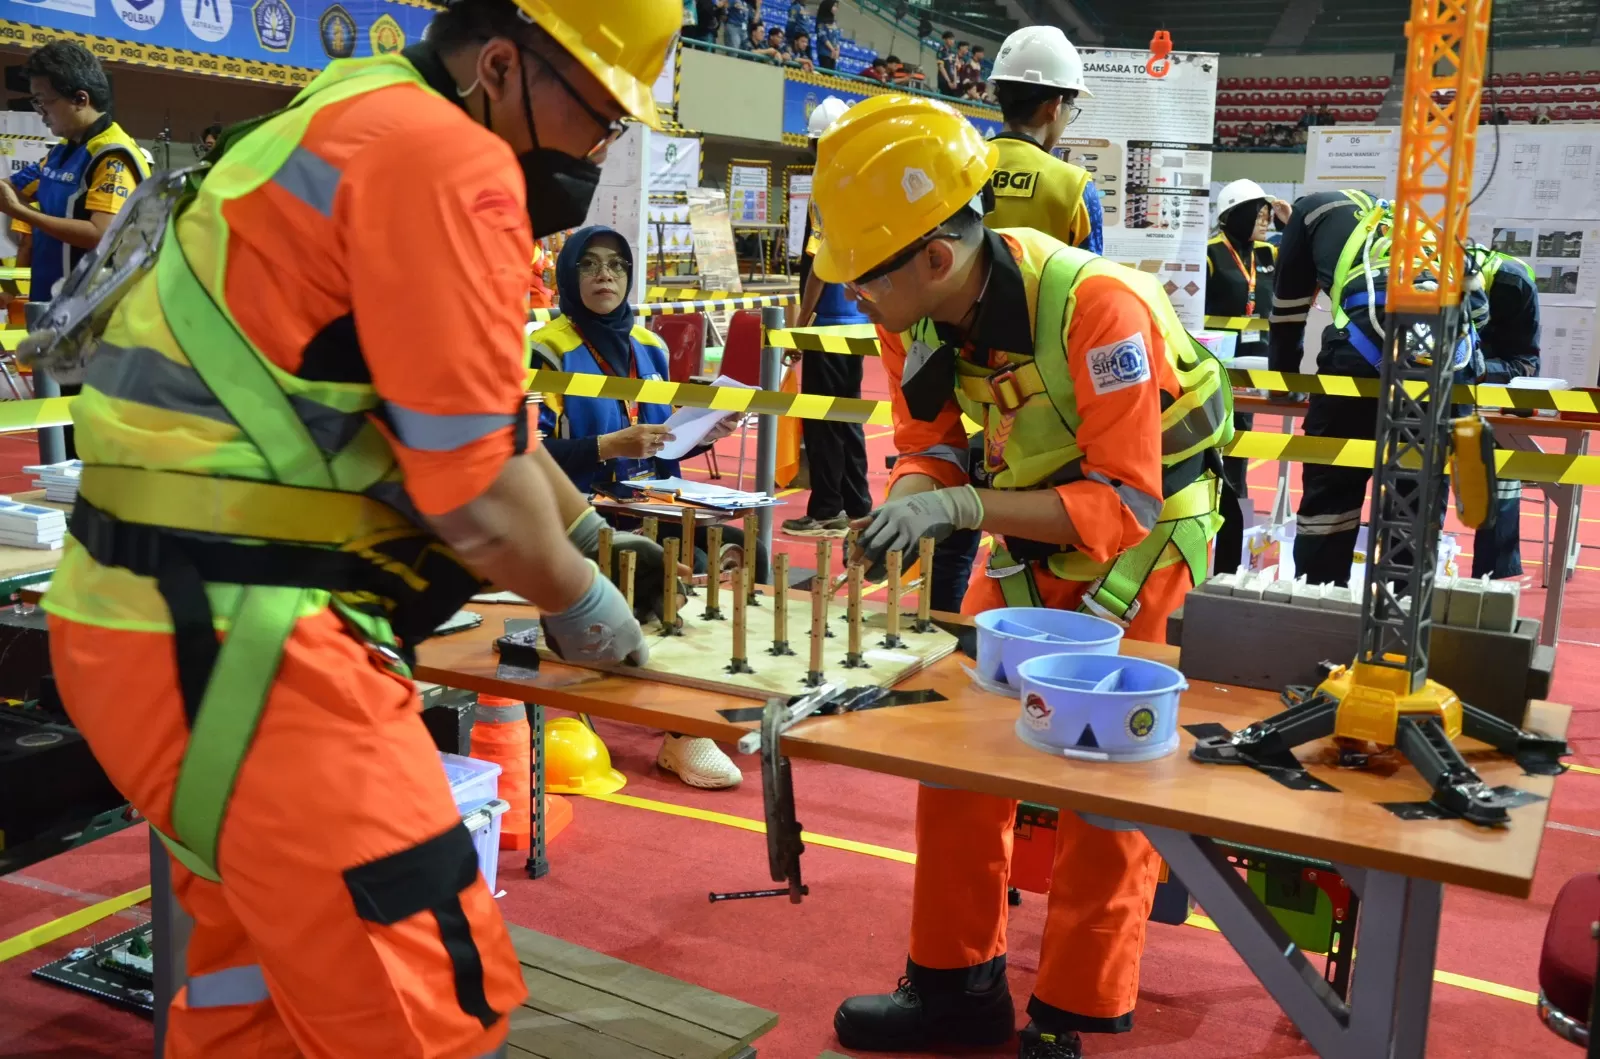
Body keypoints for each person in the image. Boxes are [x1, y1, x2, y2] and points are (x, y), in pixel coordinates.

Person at [31, 1, 678, 1055]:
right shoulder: (446, 162)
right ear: (502, 67)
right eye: (599, 117)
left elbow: (480, 422)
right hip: (254, 650)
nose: (597, 152)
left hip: (141, 627)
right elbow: (473, 499)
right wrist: (586, 603)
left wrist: (589, 534)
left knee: (260, 998)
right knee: (425, 1011)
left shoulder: (346, 114)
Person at [813, 94, 1230, 1059]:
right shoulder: (908, 313)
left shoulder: (1100, 308)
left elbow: (1121, 504)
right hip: (1024, 537)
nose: (851, 294)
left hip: (1143, 549)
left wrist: (957, 510)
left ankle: (1073, 1016)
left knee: (1103, 776)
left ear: (933, 256)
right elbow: (933, 448)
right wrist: (912, 500)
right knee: (956, 751)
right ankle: (955, 989)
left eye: (860, 275)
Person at [532, 226, 750, 790]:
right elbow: (522, 452)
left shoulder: (649, 347)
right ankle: (682, 732)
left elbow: (661, 443)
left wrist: (703, 434)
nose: (605, 275)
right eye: (591, 266)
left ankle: (717, 695)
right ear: (569, 275)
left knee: (740, 553)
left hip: (652, 498)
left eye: (617, 266)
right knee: (652, 564)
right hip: (579, 509)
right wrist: (609, 447)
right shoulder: (544, 349)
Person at [1269, 189, 1486, 584]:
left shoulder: (1310, 210)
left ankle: (1319, 603)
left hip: (1358, 356)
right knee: (1415, 502)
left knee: (1331, 493)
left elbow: (1287, 311)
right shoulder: (1419, 222)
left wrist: (1280, 383)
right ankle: (1402, 612)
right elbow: (1479, 310)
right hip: (1445, 366)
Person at [1, 41, 148, 459]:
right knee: (63, 444)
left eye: (43, 101)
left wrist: (21, 214)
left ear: (80, 99)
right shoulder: (61, 152)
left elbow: (101, 232)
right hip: (56, 318)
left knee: (94, 443)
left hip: (98, 325)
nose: (39, 111)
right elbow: (12, 188)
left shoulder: (113, 156)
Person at [782, 97, 872, 539]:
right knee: (848, 420)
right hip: (856, 322)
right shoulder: (862, 184)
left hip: (828, 324)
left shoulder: (827, 186)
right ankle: (857, 507)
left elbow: (819, 264)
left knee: (822, 423)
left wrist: (801, 322)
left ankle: (826, 510)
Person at [1205, 179, 1278, 574]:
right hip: (1219, 371)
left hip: (1258, 371)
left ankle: (1232, 555)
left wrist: (1289, 217)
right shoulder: (1211, 255)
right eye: (1258, 213)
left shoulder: (1270, 254)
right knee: (1215, 452)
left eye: (1267, 213)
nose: (1264, 219)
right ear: (1234, 215)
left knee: (1239, 458)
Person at [1468, 246, 1541, 578]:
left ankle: (1494, 577)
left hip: (1492, 393)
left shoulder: (1514, 285)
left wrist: (1479, 369)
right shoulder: (1429, 277)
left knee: (1502, 472)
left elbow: (1526, 365)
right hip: (1442, 391)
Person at [814, 0, 841, 69]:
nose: (836, 9)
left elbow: (837, 37)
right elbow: (823, 37)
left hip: (833, 54)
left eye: (837, 6)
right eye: (834, 6)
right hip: (824, 53)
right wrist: (832, 49)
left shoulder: (834, 22)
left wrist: (837, 50)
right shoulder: (821, 22)